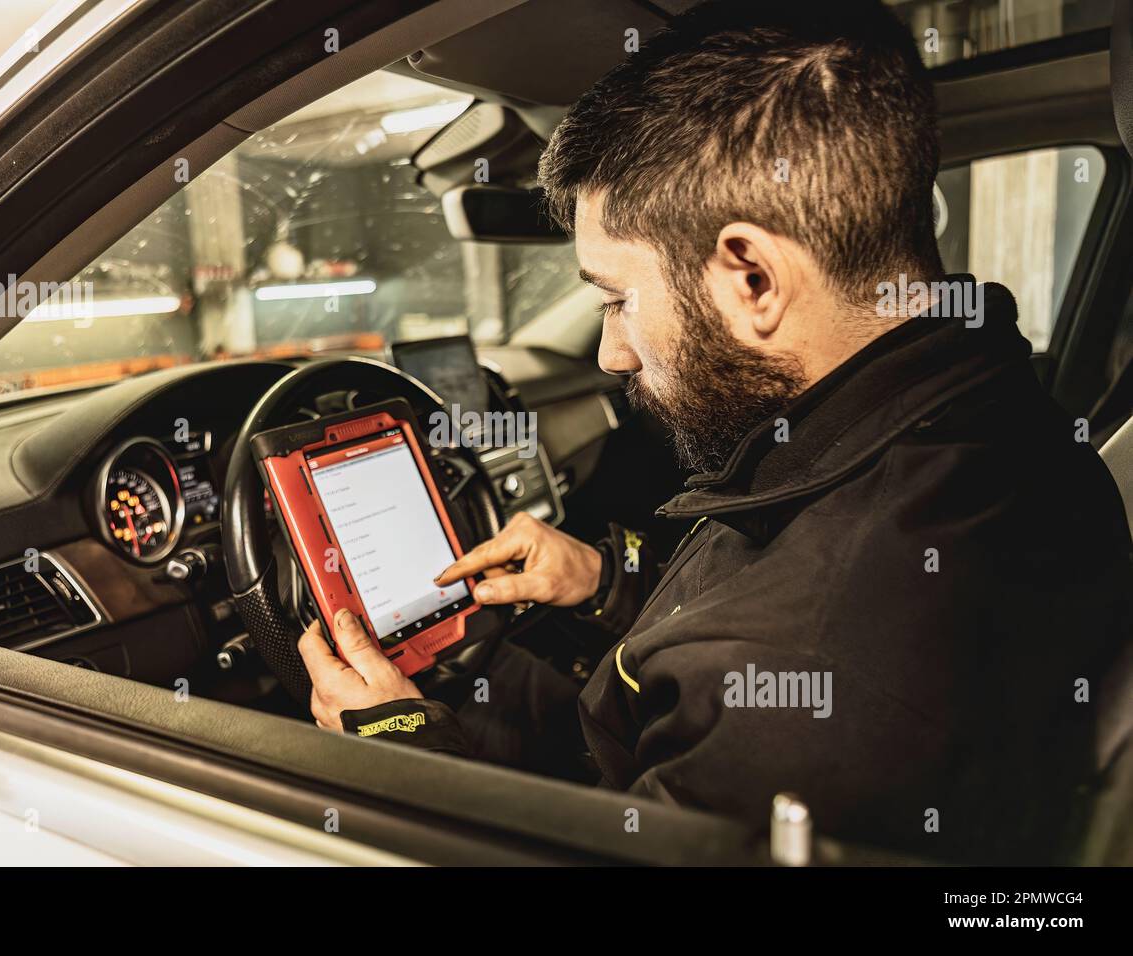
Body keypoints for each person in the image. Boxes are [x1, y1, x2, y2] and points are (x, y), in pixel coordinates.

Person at [294, 0, 1133, 863]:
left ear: (754, 278)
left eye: (618, 299)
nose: (613, 353)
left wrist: (395, 741)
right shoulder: (989, 412)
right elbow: (769, 582)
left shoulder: (804, 691)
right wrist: (606, 582)